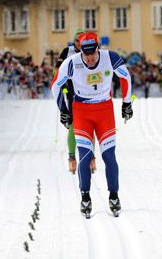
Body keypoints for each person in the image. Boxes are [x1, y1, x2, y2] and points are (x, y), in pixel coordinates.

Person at [51, 32, 132, 218]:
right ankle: (85, 197)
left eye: (92, 54)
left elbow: (125, 77)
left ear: (97, 48)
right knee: (85, 156)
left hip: (104, 110)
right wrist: (63, 109)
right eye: (85, 54)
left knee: (109, 155)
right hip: (81, 111)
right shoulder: (71, 62)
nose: (89, 58)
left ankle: (114, 196)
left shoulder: (109, 57)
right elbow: (55, 85)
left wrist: (127, 103)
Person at [55, 29, 97, 175]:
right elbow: (57, 71)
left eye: (83, 40)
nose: (81, 43)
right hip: (72, 91)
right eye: (79, 41)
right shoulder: (68, 51)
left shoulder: (90, 51)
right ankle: (72, 157)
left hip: (90, 92)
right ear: (75, 41)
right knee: (73, 124)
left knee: (91, 124)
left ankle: (91, 156)